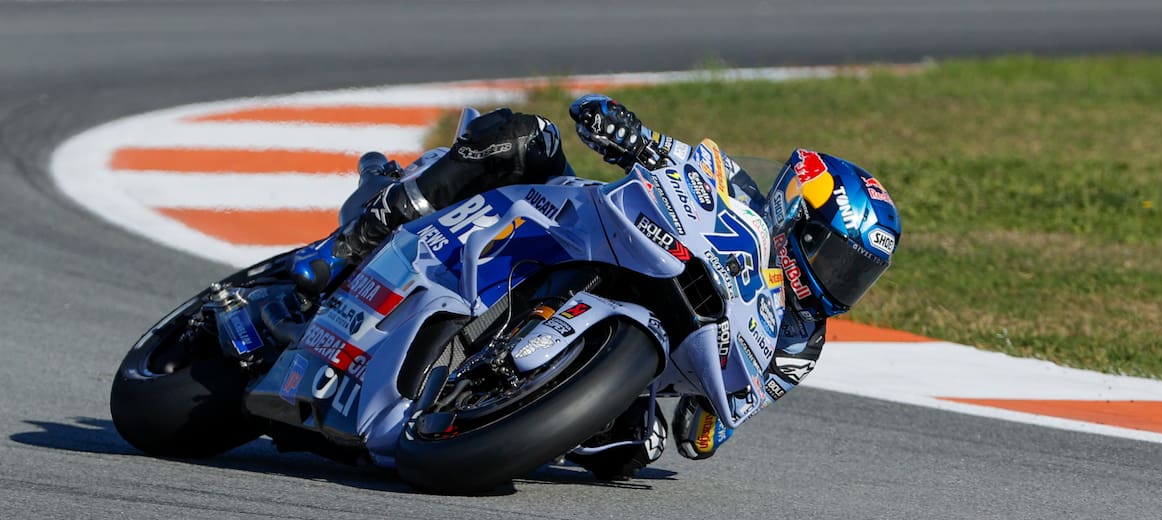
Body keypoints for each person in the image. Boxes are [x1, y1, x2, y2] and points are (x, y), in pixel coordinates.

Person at [291, 94, 901, 480]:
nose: (839, 281)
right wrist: (627, 133)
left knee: (634, 451)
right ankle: (343, 245)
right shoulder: (739, 189)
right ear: (798, 215)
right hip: (585, 230)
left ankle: (486, 407)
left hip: (644, 355)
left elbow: (716, 419)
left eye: (858, 274)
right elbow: (674, 156)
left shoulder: (801, 344)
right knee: (526, 135)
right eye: (836, 257)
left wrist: (707, 423)